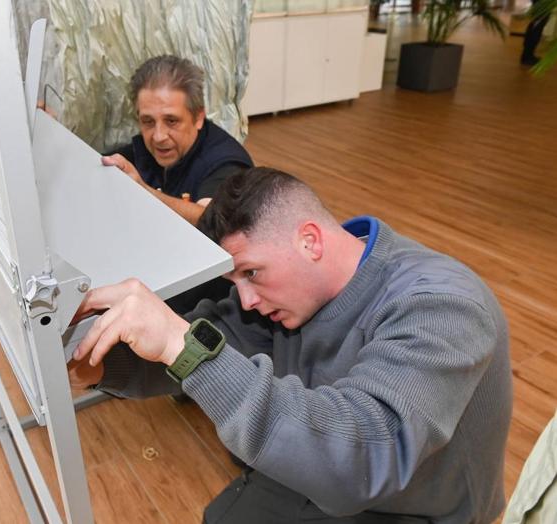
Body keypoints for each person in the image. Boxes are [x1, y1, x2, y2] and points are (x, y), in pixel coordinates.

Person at [69, 167, 512, 522]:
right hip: (327, 462)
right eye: (234, 280)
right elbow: (211, 337)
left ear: (310, 241)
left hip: (413, 504)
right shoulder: (285, 298)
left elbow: (368, 455)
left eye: (252, 273)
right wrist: (100, 361)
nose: (245, 297)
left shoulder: (441, 305)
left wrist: (181, 344)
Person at [102, 55, 253, 225]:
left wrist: (142, 190)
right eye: (148, 121)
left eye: (171, 121)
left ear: (198, 117)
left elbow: (207, 219)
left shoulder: (226, 163)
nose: (159, 136)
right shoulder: (144, 150)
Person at [521, 0, 549, 66]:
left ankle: (529, 55)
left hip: (541, 4)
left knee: (536, 29)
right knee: (535, 30)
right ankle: (526, 57)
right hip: (541, 4)